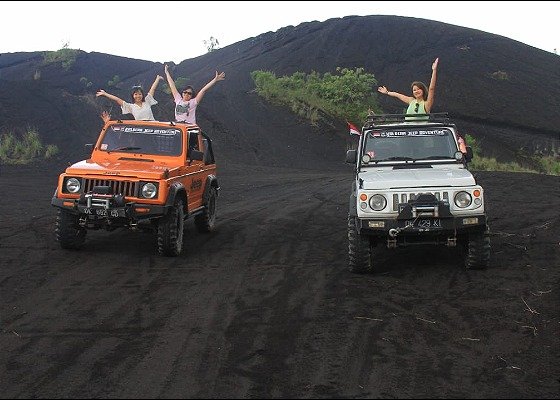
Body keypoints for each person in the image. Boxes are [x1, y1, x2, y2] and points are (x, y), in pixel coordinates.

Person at [96, 75, 164, 121]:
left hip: (153, 127)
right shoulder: (130, 106)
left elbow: (152, 89)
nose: (138, 96)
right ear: (133, 96)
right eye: (136, 94)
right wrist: (105, 94)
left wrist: (157, 79)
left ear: (142, 95)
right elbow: (117, 99)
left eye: (140, 94)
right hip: (140, 129)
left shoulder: (147, 101)